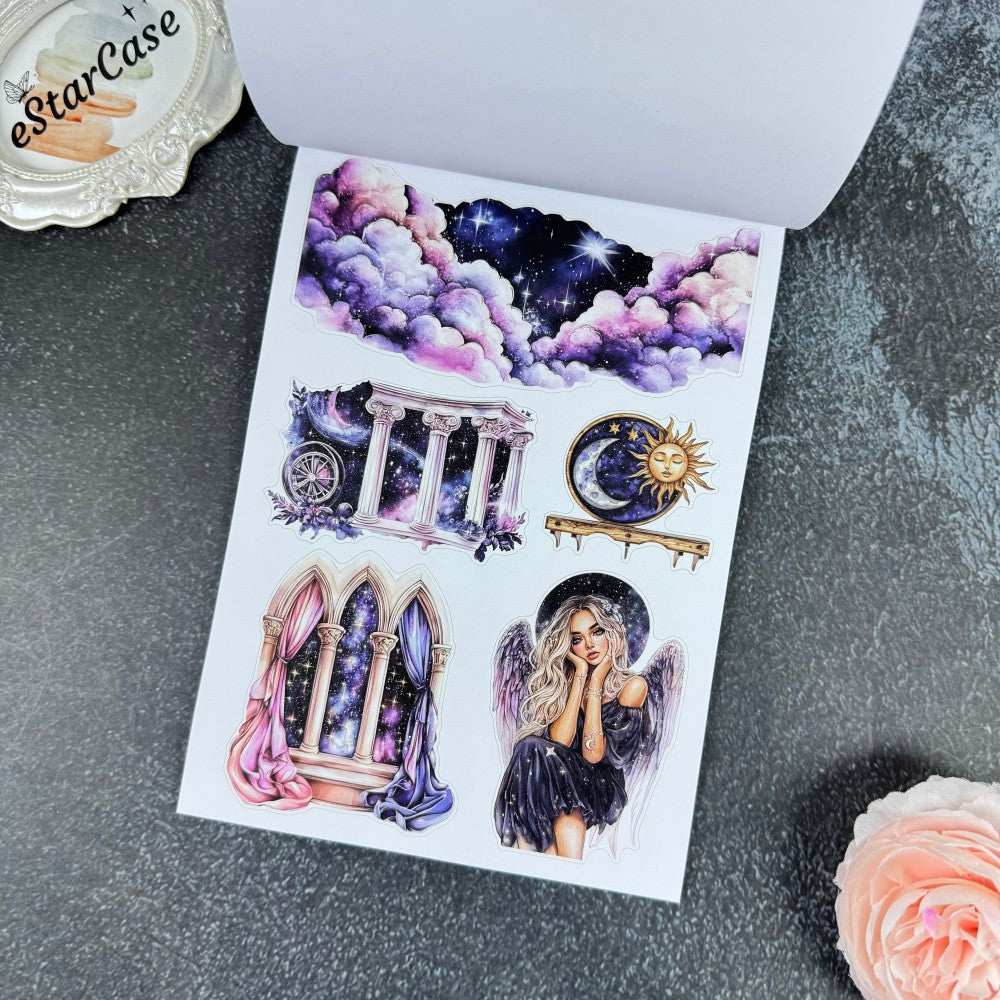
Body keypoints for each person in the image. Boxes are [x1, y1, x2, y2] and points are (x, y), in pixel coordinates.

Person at [494, 595, 649, 859]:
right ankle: (538, 857)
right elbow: (560, 743)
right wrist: (581, 674)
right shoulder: (570, 681)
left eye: (597, 632)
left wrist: (596, 682)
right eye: (577, 639)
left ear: (612, 633)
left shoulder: (633, 686)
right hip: (563, 774)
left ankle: (555, 860)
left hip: (599, 783)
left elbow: (593, 753)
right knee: (529, 749)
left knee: (542, 762)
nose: (589, 644)